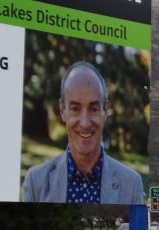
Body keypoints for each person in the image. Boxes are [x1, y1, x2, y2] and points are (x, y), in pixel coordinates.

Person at [22, 61, 143, 204]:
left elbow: (136, 227)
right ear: (62, 111)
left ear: (104, 111)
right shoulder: (36, 182)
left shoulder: (132, 184)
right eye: (75, 108)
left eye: (94, 109)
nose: (85, 123)